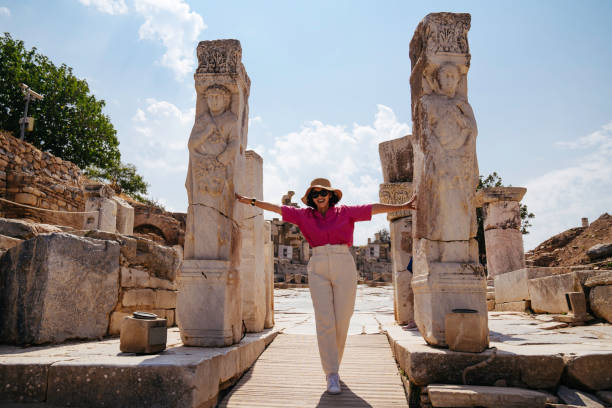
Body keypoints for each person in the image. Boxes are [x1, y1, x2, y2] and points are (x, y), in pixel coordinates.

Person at [236, 177, 416, 395]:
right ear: (311, 198)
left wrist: (403, 205)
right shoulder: (304, 215)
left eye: (323, 193)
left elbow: (373, 208)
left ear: (331, 195)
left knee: (343, 318)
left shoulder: (345, 212)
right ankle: (331, 373)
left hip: (344, 263)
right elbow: (277, 208)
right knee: (324, 320)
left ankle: (334, 366)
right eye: (314, 194)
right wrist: (251, 201)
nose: (319, 196)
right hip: (318, 265)